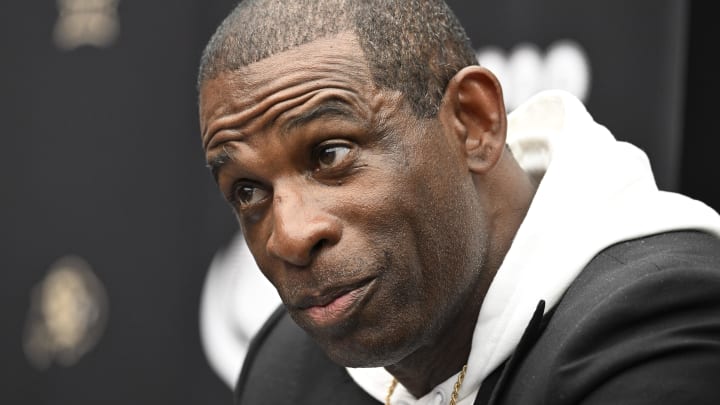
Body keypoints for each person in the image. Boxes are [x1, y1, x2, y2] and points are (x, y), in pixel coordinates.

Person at [196, 0, 720, 403]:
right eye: (247, 191)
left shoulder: (656, 325)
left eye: (330, 154)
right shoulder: (287, 366)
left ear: (473, 123)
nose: (289, 236)